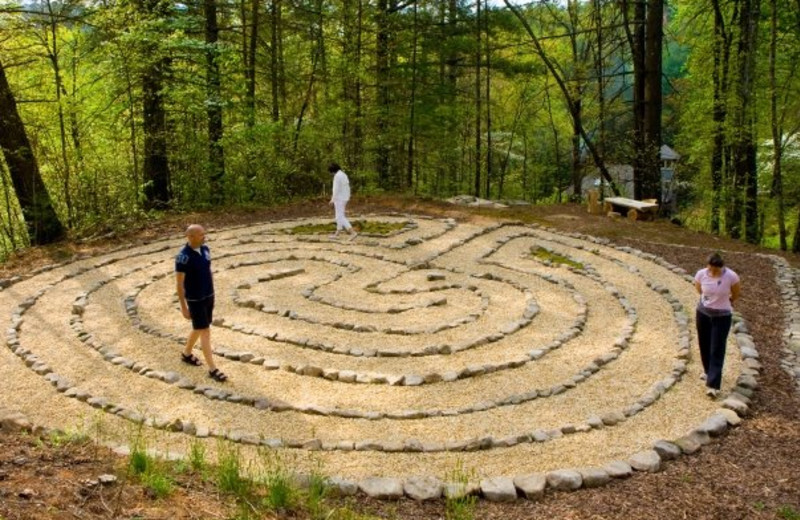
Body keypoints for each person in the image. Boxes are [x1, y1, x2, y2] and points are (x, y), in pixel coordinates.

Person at [175, 224, 227, 382]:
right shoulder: (183, 257)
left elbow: (208, 269)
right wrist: (184, 307)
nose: (204, 236)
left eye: (204, 233)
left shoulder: (205, 249)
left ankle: (186, 354)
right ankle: (212, 369)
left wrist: (212, 289)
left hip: (208, 295)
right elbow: (179, 283)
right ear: (190, 237)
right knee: (205, 331)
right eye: (201, 234)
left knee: (199, 327)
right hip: (195, 299)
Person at [694, 252, 740, 398]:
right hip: (703, 313)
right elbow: (699, 289)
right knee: (704, 344)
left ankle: (713, 385)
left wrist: (728, 301)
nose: (713, 272)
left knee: (717, 348)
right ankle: (708, 371)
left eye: (716, 270)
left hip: (722, 316)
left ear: (722, 267)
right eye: (711, 268)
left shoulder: (731, 276)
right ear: (707, 265)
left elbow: (736, 293)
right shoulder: (701, 274)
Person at [328, 162, 357, 240]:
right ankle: (337, 233)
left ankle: (352, 232)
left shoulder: (337, 176)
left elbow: (335, 189)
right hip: (345, 197)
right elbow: (347, 187)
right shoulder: (344, 174)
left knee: (340, 216)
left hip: (339, 198)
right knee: (339, 216)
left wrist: (332, 199)